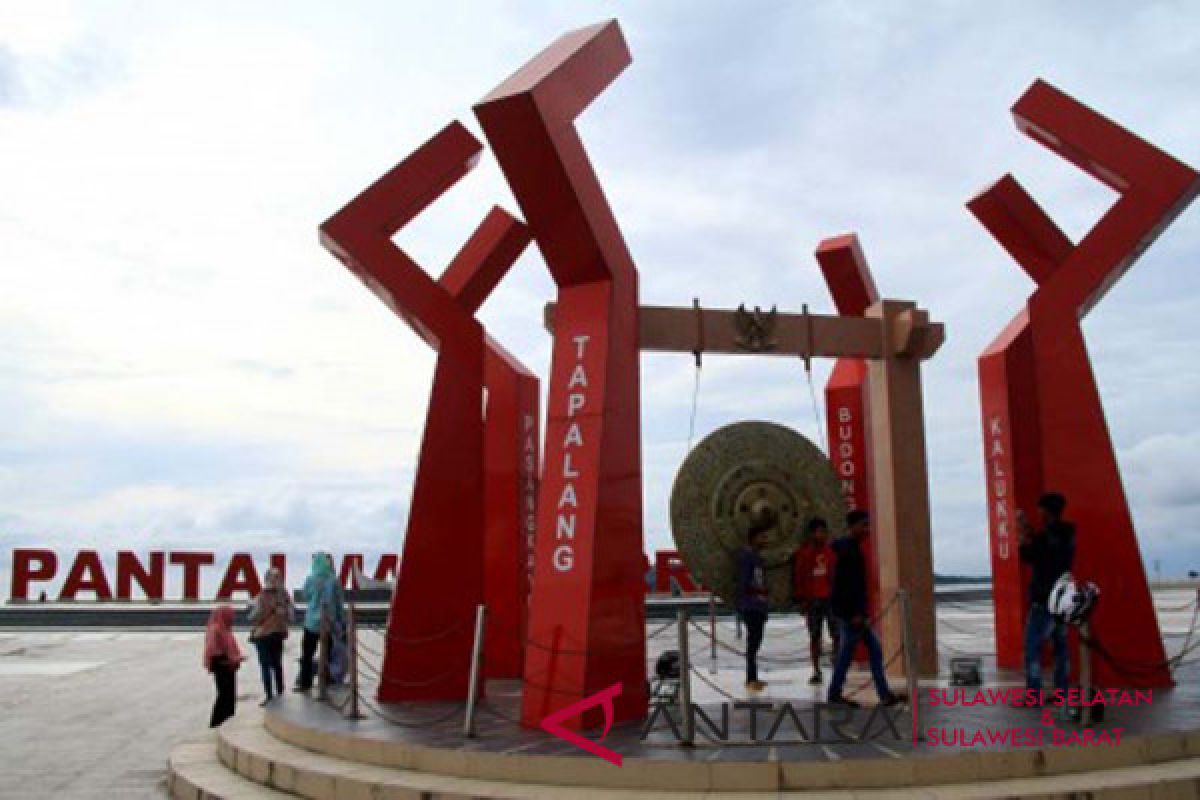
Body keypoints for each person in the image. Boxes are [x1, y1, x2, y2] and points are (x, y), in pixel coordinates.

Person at [827, 510, 900, 708]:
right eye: (864, 525)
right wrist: (854, 614)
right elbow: (843, 586)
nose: (867, 529)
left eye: (868, 525)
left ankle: (882, 694)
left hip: (854, 614)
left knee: (868, 651)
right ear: (852, 526)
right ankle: (836, 693)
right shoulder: (846, 551)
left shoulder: (852, 549)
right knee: (848, 653)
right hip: (851, 615)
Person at [1018, 492, 1075, 699]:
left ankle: (1033, 693)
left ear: (1047, 511)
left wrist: (1023, 533)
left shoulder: (1045, 538)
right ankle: (1062, 690)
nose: (1038, 513)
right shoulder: (1068, 534)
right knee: (1061, 647)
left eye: (1041, 510)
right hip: (1062, 598)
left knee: (1032, 646)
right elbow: (1047, 549)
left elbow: (1029, 555)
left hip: (1043, 599)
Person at [794, 516, 840, 685]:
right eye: (819, 532)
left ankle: (838, 666)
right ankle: (816, 669)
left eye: (824, 532)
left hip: (830, 598)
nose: (822, 535)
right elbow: (799, 577)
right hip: (812, 599)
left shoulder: (831, 552)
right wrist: (801, 600)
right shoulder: (803, 554)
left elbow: (835, 575)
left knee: (837, 634)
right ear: (812, 534)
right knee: (815, 636)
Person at [735, 512, 773, 692]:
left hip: (759, 606)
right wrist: (757, 592)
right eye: (762, 537)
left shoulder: (758, 558)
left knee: (756, 642)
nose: (765, 540)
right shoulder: (747, 557)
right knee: (753, 643)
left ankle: (754, 677)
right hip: (751, 606)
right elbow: (744, 583)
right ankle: (751, 679)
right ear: (753, 538)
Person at [248, 566, 293, 706]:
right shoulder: (285, 595)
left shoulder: (263, 595)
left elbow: (255, 615)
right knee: (277, 664)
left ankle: (269, 695)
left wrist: (251, 613)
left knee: (265, 666)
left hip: (264, 634)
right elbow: (291, 616)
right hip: (278, 634)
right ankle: (280, 692)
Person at [203, 605, 245, 727]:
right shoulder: (216, 629)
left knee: (229, 696)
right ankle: (217, 722)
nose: (233, 618)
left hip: (228, 666)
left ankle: (227, 721)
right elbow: (214, 650)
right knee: (224, 695)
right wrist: (230, 659)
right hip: (221, 666)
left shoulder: (225, 629)